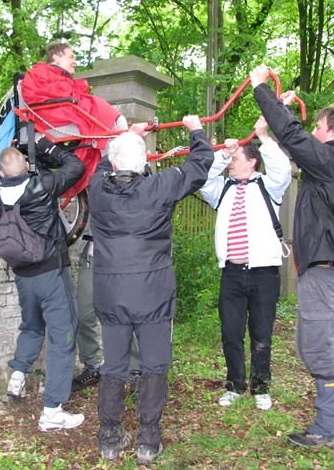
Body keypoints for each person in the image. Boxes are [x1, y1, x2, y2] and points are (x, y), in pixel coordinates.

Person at [250, 64, 334, 448]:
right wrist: (279, 112)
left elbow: (296, 139)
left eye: (318, 128)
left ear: (332, 133)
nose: (314, 133)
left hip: (325, 270)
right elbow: (295, 142)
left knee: (316, 348)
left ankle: (329, 428)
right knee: (307, 345)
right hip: (319, 269)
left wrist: (261, 89)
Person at [89, 116, 214, 464]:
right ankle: (147, 439)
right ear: (145, 162)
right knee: (154, 365)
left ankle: (109, 439)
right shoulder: (160, 186)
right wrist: (195, 131)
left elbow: (103, 163)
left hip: (111, 292)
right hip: (153, 293)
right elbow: (200, 164)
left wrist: (129, 135)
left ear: (114, 162)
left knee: (113, 364)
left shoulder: (97, 190)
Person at [0, 141, 86, 432]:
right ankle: (53, 410)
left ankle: (17, 377)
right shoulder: (42, 185)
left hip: (23, 276)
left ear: (3, 172)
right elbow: (76, 167)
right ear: (27, 166)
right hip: (51, 273)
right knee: (63, 335)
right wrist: (47, 147)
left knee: (31, 327)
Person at [199, 116, 292, 411]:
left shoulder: (269, 188)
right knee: (231, 332)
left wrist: (264, 138)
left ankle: (261, 388)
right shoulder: (222, 190)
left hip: (264, 273)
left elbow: (283, 169)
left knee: (262, 333)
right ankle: (235, 386)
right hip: (232, 274)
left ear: (252, 161)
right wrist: (223, 153)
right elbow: (202, 178)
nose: (231, 163)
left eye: (236, 158)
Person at [20, 41, 128, 196]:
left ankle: (116, 167)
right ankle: (113, 172)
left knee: (114, 124)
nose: (75, 61)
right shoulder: (39, 71)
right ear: (56, 57)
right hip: (51, 116)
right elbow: (35, 95)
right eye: (71, 57)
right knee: (107, 126)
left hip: (64, 112)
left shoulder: (57, 76)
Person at [72, 218, 142, 394]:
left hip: (124, 254)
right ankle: (92, 365)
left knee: (127, 314)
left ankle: (135, 371)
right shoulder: (89, 190)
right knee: (83, 314)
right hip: (92, 253)